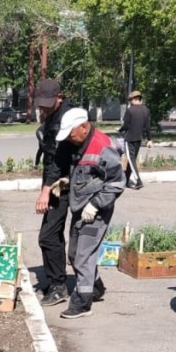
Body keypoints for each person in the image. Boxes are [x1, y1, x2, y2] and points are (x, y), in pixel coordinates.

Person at [53, 108, 126, 319]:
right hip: (80, 208)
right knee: (75, 254)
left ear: (84, 127)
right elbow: (89, 174)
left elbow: (116, 183)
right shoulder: (80, 144)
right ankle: (95, 287)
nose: (69, 138)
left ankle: (82, 303)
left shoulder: (103, 147)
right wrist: (69, 182)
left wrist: (95, 204)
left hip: (96, 211)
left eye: (71, 133)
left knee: (83, 257)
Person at [32, 79, 73, 307]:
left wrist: (46, 191)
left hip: (63, 184)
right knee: (54, 235)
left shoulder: (66, 119)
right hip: (53, 181)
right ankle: (57, 281)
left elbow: (58, 162)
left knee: (47, 236)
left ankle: (59, 286)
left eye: (47, 104)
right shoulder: (52, 115)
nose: (43, 108)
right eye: (40, 104)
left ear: (60, 96)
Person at [119, 90, 152, 189]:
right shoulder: (146, 110)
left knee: (131, 160)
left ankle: (138, 181)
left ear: (133, 100)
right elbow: (147, 127)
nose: (130, 102)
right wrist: (149, 139)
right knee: (131, 160)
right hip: (138, 139)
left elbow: (125, 125)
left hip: (129, 139)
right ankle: (126, 180)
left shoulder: (130, 110)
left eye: (130, 100)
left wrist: (119, 129)